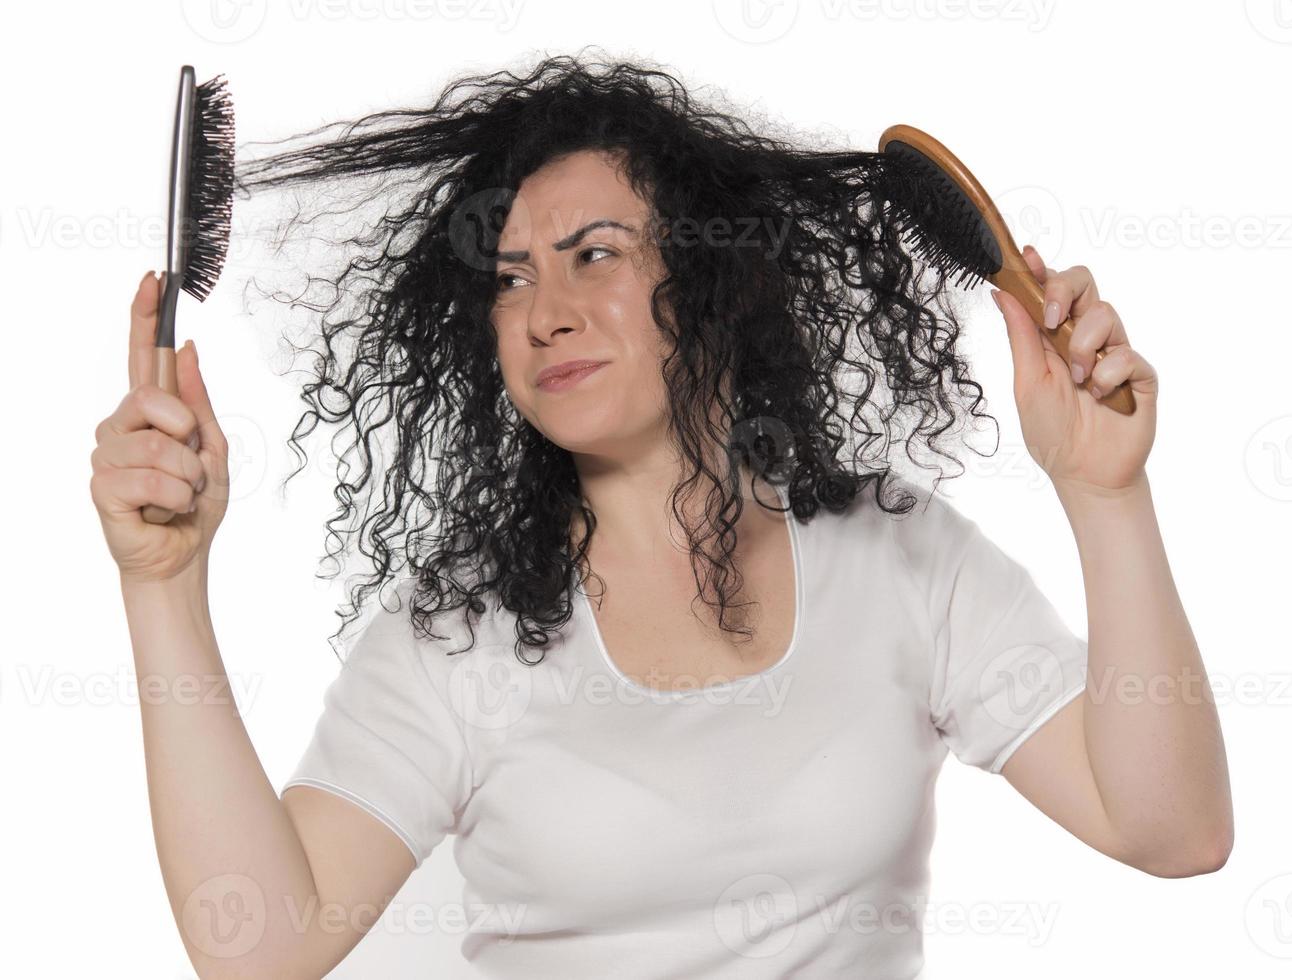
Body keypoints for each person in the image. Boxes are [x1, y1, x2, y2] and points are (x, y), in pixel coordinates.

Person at [90, 52, 1232, 979]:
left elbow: (1173, 831)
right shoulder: (458, 636)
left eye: (595, 255)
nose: (543, 313)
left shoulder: (898, 557)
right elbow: (260, 944)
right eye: (512, 277)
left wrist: (1104, 495)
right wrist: (163, 587)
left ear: (714, 282)